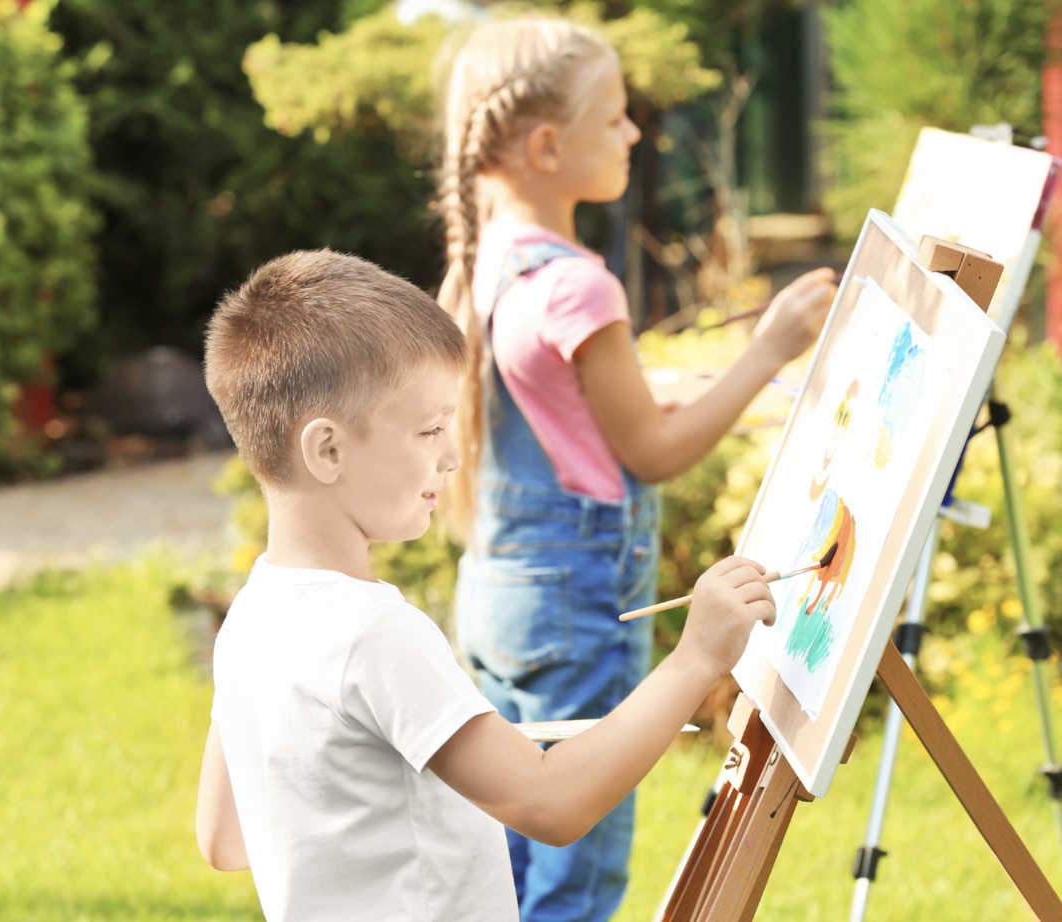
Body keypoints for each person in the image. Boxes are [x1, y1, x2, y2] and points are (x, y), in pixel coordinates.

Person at [193, 249, 778, 922]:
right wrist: (698, 658)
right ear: (327, 450)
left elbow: (224, 839)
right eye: (430, 428)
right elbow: (550, 803)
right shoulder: (375, 633)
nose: (452, 452)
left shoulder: (252, 618)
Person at [435, 19, 836, 921]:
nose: (633, 135)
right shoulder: (580, 284)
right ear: (545, 147)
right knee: (575, 874)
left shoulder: (488, 260)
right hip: (580, 611)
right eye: (615, 118)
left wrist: (671, 385)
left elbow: (563, 411)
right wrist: (767, 347)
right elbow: (654, 454)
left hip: (499, 598)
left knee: (503, 868)